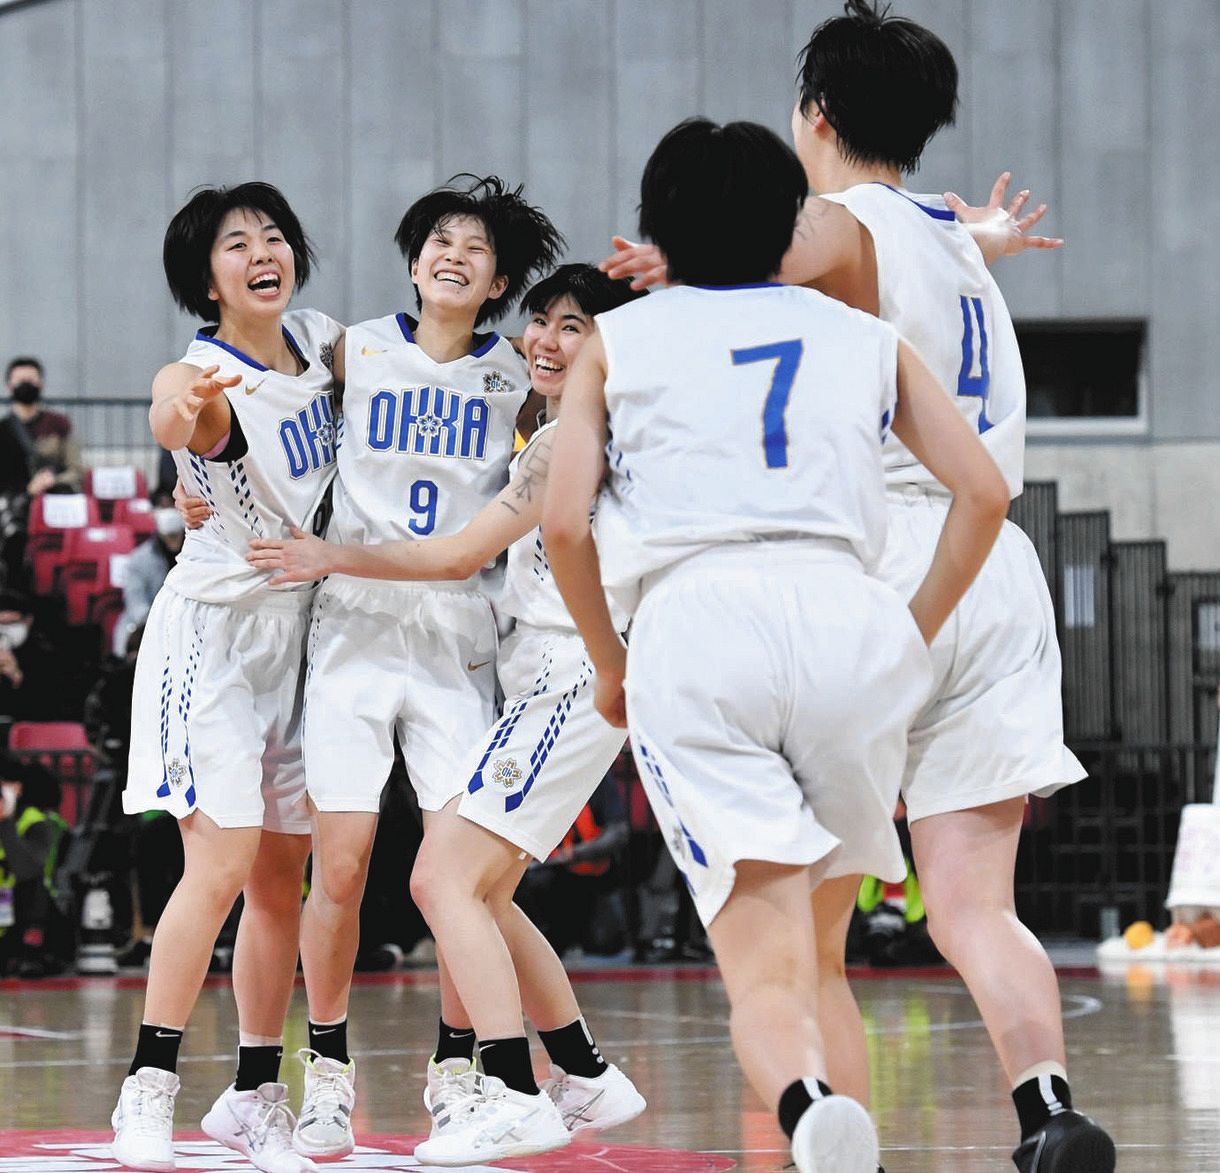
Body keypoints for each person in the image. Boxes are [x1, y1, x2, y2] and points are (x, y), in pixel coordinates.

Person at [602, 7, 1113, 1170]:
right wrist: (983, 227)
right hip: (1000, 569)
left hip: (882, 562)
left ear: (813, 118)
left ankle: (820, 1131)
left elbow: (744, 266)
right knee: (976, 905)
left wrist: (669, 260)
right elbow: (941, 233)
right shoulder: (942, 234)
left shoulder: (832, 223)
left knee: (809, 936)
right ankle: (1046, 1113)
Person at [543, 116, 1009, 1173]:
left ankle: (802, 1106)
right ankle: (844, 1140)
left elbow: (564, 524)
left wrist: (611, 664)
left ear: (658, 225)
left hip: (698, 624)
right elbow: (982, 493)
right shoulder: (865, 335)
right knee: (825, 956)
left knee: (759, 969)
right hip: (845, 618)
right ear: (783, 221)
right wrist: (907, 628)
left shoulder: (621, 337)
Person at [248, 263, 647, 1165]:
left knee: (440, 881)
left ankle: (507, 1087)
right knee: (482, 890)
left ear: (613, 345)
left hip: (569, 675)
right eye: (540, 321)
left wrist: (330, 555)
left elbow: (458, 552)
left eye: (572, 326)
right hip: (544, 672)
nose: (545, 339)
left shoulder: (569, 440)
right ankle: (584, 1072)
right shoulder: (551, 419)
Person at [277, 175, 563, 1162]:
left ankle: (457, 1073)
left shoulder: (519, 377)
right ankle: (324, 1072)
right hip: (351, 623)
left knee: (459, 875)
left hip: (457, 634)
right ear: (411, 259)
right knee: (344, 863)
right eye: (437, 240)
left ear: (498, 283)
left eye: (474, 250)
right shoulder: (348, 346)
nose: (451, 255)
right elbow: (263, 414)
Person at [109, 181, 341, 1173]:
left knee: (283, 878)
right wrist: (182, 417)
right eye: (235, 242)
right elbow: (172, 410)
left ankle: (254, 1092)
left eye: (274, 234)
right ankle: (146, 1090)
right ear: (206, 277)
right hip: (212, 639)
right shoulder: (204, 367)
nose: (262, 250)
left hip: (300, 640)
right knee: (222, 861)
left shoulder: (329, 344)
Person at [0, 357, 85, 590]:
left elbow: (77, 470)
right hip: (15, 506)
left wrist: (51, 481)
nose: (26, 385)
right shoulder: (4, 430)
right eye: (20, 381)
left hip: (56, 502)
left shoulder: (58, 424)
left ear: (41, 384)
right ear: (9, 386)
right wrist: (28, 490)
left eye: (31, 380)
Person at [0, 755, 71, 977]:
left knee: (32, 886)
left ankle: (32, 953)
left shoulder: (38, 821)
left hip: (27, 913)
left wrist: (7, 822)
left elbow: (27, 869)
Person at [112, 492, 185, 655]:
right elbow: (136, 604)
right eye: (169, 536)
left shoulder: (195, 556)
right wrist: (162, 624)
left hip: (187, 625)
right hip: (149, 625)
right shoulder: (139, 558)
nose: (173, 540)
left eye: (176, 536)